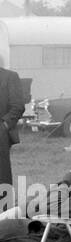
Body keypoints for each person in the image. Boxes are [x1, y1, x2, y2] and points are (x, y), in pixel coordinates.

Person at [0, 54, 27, 191]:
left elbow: (18, 106)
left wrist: (4, 126)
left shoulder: (10, 77)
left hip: (1, 134)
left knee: (2, 175)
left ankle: (4, 209)